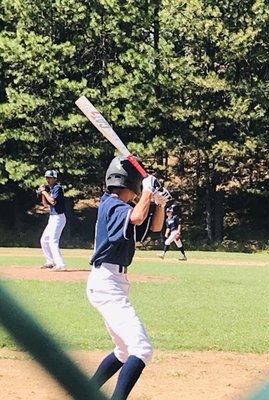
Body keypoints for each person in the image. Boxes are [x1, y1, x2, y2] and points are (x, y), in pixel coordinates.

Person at [86, 155, 171, 400]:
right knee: (142, 349)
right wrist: (147, 191)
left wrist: (159, 204)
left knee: (124, 352)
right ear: (132, 184)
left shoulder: (117, 206)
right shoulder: (112, 205)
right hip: (107, 283)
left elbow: (152, 228)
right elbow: (136, 217)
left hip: (113, 283)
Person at [39, 170, 67, 271]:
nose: (48, 179)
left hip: (59, 217)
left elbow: (53, 202)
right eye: (47, 177)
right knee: (44, 240)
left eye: (50, 178)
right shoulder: (50, 189)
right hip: (53, 217)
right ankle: (50, 262)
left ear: (55, 179)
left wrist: (44, 192)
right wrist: (43, 193)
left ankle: (60, 265)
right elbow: (46, 204)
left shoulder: (57, 188)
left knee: (53, 241)